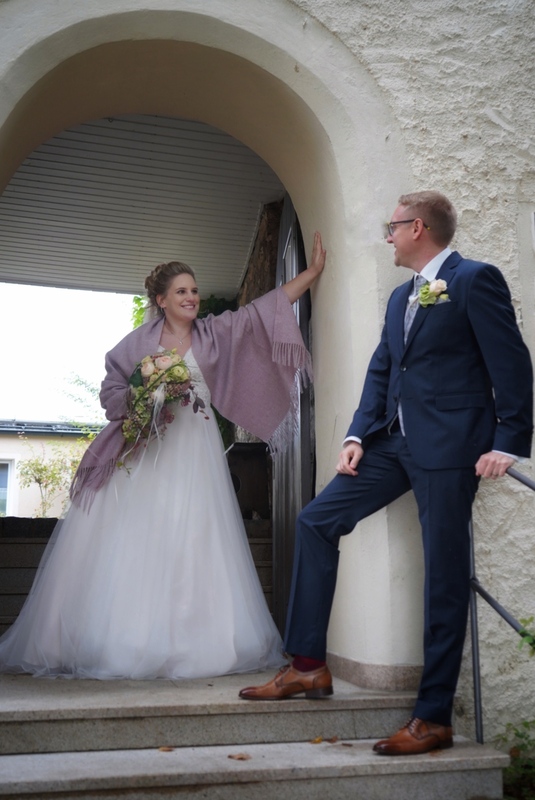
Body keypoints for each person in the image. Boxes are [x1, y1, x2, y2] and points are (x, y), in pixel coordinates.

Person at [239, 191, 533, 756]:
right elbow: (383, 371)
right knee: (316, 521)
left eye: (392, 227)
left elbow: (512, 362)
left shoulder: (475, 280)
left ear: (417, 228)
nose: (388, 237)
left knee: (444, 575)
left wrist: (508, 442)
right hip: (390, 445)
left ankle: (434, 717)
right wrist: (356, 436)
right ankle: (307, 664)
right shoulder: (402, 295)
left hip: (450, 450)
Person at [0, 232, 326, 679]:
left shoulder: (214, 333)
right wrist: (145, 398)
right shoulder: (136, 345)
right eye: (182, 292)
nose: (191, 297)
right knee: (139, 538)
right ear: (161, 300)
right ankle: (130, 639)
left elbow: (259, 313)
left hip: (197, 449)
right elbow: (111, 393)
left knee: (196, 536)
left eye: (194, 290)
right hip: (148, 452)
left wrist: (310, 274)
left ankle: (196, 641)